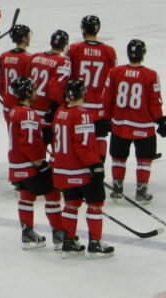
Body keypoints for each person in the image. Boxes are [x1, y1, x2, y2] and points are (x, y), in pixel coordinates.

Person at [101, 39, 166, 204]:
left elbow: (107, 98)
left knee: (118, 157)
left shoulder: (115, 72)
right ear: (143, 54)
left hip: (120, 125)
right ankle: (141, 190)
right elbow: (155, 102)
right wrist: (161, 120)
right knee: (144, 160)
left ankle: (117, 188)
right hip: (143, 127)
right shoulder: (151, 75)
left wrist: (105, 118)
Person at [51, 79, 113, 257]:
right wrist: (95, 164)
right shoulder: (83, 115)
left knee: (71, 204)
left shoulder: (60, 112)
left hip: (63, 169)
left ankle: (69, 242)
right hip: (81, 169)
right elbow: (83, 145)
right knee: (95, 204)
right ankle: (95, 243)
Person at [7, 77, 64, 250]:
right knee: (53, 193)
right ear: (27, 92)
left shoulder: (13, 111)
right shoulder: (28, 113)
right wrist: (39, 163)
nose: (36, 92)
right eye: (33, 89)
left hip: (15, 166)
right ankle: (60, 235)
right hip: (29, 165)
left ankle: (28, 233)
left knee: (26, 195)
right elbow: (28, 143)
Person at [67, 15, 117, 159]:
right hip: (100, 105)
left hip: (77, 103)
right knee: (100, 136)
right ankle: (99, 167)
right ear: (97, 29)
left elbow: (66, 75)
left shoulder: (74, 49)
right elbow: (112, 80)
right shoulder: (109, 51)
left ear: (83, 29)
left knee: (79, 137)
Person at [29, 29, 71, 147]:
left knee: (34, 146)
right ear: (64, 45)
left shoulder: (35, 57)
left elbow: (27, 79)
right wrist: (54, 108)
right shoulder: (63, 62)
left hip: (31, 109)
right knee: (54, 145)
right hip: (47, 111)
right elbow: (55, 87)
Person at [0, 24, 33, 122]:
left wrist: (6, 97)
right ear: (24, 38)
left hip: (7, 103)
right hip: (22, 105)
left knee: (12, 134)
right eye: (28, 35)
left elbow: (0, 83)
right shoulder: (28, 58)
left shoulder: (3, 56)